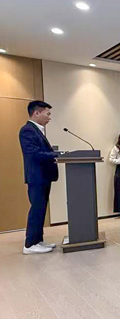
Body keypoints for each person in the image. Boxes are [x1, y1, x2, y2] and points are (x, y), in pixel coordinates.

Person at [18, 101, 60, 254]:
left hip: (44, 176)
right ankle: (29, 244)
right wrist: (55, 154)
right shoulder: (27, 130)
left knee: (41, 209)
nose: (49, 117)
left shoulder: (36, 130)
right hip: (37, 176)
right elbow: (33, 154)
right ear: (36, 113)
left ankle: (38, 240)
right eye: (47, 114)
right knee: (36, 209)